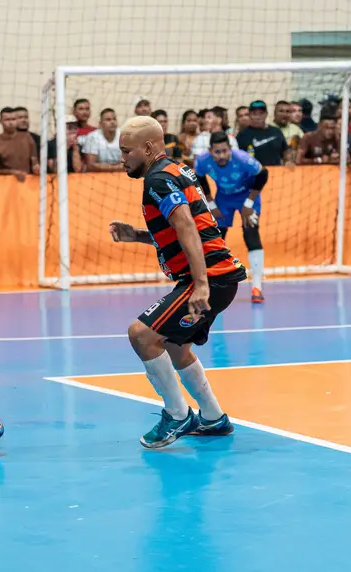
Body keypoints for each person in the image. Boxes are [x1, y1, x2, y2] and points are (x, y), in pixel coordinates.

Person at [108, 116, 247, 449]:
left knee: (141, 334)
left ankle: (177, 414)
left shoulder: (157, 180)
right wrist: (138, 236)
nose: (122, 158)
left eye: (127, 151)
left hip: (210, 277)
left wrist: (201, 284)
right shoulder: (175, 170)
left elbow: (186, 226)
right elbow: (184, 227)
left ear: (148, 148)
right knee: (174, 345)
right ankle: (213, 418)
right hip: (218, 276)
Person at [195, 131, 268, 303]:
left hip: (247, 196)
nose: (221, 155)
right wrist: (211, 205)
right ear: (210, 151)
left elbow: (263, 174)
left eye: (224, 151)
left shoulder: (242, 158)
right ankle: (213, 285)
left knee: (251, 233)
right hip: (224, 198)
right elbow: (200, 179)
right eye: (217, 152)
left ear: (230, 148)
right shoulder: (202, 161)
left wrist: (249, 204)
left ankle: (257, 287)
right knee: (216, 239)